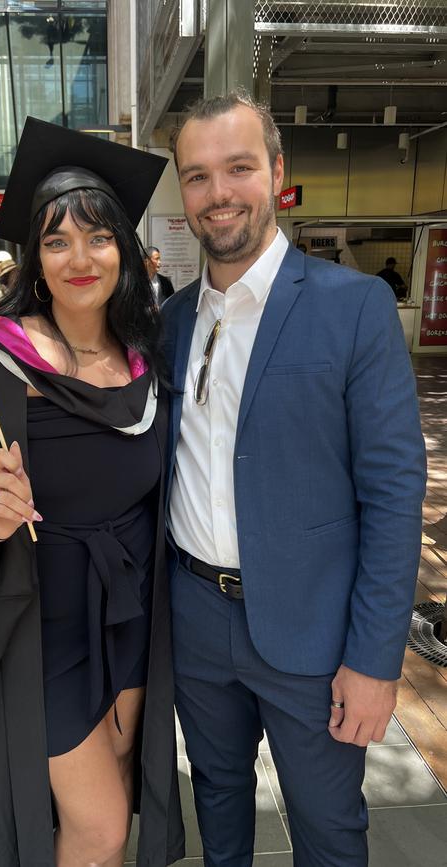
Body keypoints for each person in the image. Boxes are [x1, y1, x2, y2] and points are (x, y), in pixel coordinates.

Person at [0, 118, 185, 867]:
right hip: (42, 625)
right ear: (33, 258)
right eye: (57, 240)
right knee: (102, 826)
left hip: (131, 615)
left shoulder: (146, 359)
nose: (80, 258)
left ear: (125, 248)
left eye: (98, 236)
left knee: (117, 784)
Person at [161, 91, 426, 866]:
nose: (219, 193)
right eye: (199, 175)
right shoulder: (172, 322)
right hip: (195, 620)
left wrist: (376, 661)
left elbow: (392, 493)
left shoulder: (355, 308)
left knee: (328, 828)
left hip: (314, 632)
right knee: (218, 804)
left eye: (239, 167)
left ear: (277, 171)